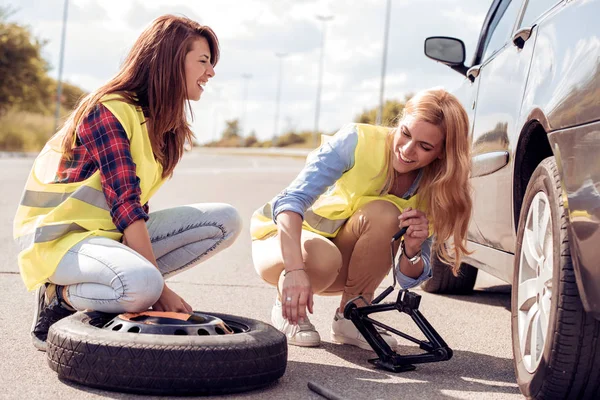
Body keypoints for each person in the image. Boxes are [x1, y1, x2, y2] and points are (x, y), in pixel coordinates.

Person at [13, 15, 242, 351]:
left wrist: (149, 279)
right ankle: (59, 295)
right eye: (203, 61)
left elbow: (137, 203)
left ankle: (121, 286)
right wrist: (159, 290)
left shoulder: (162, 124)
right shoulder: (107, 109)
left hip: (107, 239)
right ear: (172, 59)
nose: (211, 72)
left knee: (225, 220)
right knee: (144, 286)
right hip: (59, 240)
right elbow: (125, 203)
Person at [250, 87, 472, 349]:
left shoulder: (436, 187)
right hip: (283, 241)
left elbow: (407, 278)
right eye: (405, 134)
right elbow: (290, 201)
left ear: (442, 153)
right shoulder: (357, 140)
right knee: (320, 259)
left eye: (424, 146)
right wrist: (296, 270)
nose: (408, 150)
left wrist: (412, 248)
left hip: (339, 259)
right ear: (400, 122)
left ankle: (352, 316)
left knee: (388, 214)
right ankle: (288, 308)